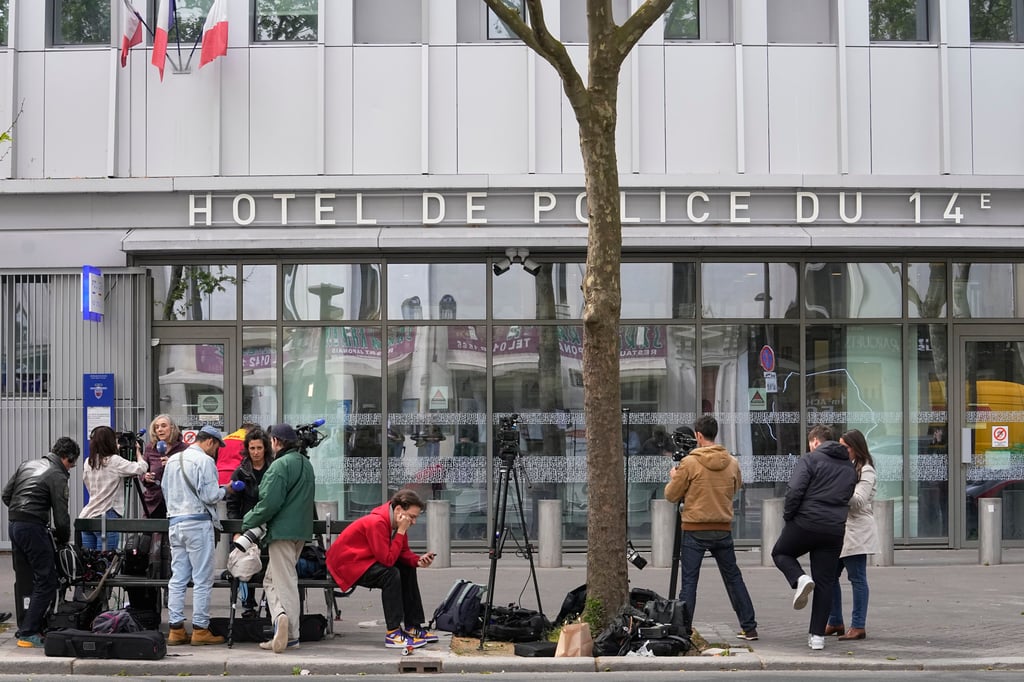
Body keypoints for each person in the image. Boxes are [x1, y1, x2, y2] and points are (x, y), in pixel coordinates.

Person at [664, 415, 758, 641]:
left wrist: (674, 477)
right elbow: (736, 487)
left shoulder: (689, 463)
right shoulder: (732, 462)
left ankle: (684, 630)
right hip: (722, 528)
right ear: (715, 434)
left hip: (695, 528)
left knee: (689, 582)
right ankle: (749, 626)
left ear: (698, 435)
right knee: (734, 578)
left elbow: (671, 495)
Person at [771, 424, 857, 651]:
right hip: (834, 530)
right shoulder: (849, 467)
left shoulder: (810, 459)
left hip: (805, 522)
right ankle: (817, 637)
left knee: (780, 552)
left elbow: (795, 491)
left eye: (811, 444)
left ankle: (799, 579)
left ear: (816, 442)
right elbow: (848, 495)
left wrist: (789, 516)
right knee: (826, 582)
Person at [326, 488, 437, 650]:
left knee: (406, 568)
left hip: (363, 562)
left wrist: (418, 561)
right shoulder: (378, 522)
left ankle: (413, 626)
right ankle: (393, 633)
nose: (413, 522)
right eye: (412, 517)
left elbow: (403, 553)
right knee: (391, 574)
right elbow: (388, 560)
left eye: (415, 518)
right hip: (346, 567)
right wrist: (400, 531)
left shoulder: (396, 520)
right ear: (399, 509)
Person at [162, 425, 240, 646]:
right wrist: (228, 489)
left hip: (175, 522)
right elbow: (210, 495)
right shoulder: (205, 462)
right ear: (210, 442)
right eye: (217, 447)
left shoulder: (174, 460)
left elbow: (165, 491)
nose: (216, 452)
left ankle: (176, 629)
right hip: (197, 523)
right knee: (202, 579)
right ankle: (200, 629)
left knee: (177, 578)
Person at [241, 423, 316, 653]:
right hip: (301, 531)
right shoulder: (306, 464)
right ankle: (279, 619)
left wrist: (248, 521)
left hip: (281, 532)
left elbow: (269, 504)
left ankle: (290, 633)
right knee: (271, 580)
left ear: (274, 441)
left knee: (285, 582)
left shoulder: (279, 466)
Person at [2, 436, 79, 648]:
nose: (71, 468)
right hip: (33, 528)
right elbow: (61, 515)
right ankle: (28, 632)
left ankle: (26, 620)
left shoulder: (26, 464)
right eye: (72, 463)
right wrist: (63, 538)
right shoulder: (57, 475)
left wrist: (22, 511)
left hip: (15, 525)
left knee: (27, 576)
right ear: (67, 458)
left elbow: (6, 495)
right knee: (47, 580)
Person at [826, 428, 880, 641]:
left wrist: (838, 488)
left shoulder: (866, 470)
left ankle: (858, 625)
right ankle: (835, 621)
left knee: (857, 578)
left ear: (856, 448)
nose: (842, 450)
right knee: (829, 576)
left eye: (846, 447)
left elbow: (858, 502)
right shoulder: (846, 467)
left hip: (857, 531)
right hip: (840, 530)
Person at [228, 427, 274, 617]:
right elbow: (233, 504)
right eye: (252, 448)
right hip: (247, 523)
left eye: (259, 448)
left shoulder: (273, 467)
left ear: (266, 449)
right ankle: (248, 605)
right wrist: (237, 530)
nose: (255, 452)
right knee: (246, 563)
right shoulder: (241, 472)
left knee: (268, 564)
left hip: (269, 523)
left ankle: (271, 604)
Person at [80, 425, 148, 550]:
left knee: (89, 563)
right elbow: (141, 468)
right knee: (106, 561)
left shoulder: (89, 462)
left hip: (87, 516)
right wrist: (138, 452)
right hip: (107, 516)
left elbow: (88, 485)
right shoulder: (115, 461)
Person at [139, 414, 188, 519]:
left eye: (163, 426)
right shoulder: (150, 448)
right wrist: (145, 477)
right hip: (154, 502)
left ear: (172, 428)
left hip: (177, 502)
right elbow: (142, 471)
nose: (160, 429)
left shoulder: (184, 449)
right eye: (157, 427)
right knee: (150, 534)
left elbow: (189, 473)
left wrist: (173, 463)